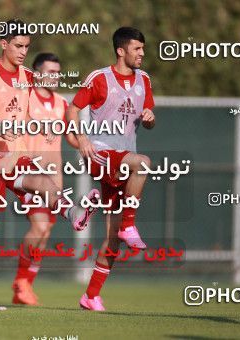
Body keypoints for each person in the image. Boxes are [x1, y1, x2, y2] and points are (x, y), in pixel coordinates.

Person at [0, 19, 98, 311]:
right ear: (3, 44)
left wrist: (84, 141)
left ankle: (71, 210)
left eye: (27, 46)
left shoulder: (28, 77)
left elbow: (50, 113)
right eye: (18, 45)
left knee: (40, 177)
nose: (23, 51)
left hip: (15, 156)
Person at [66, 26, 155, 311]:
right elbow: (72, 109)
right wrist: (81, 139)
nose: (142, 53)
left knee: (113, 241)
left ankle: (90, 296)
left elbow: (149, 119)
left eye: (143, 48)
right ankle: (129, 222)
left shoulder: (145, 81)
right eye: (137, 48)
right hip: (101, 153)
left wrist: (151, 118)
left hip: (123, 162)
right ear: (121, 50)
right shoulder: (99, 78)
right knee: (144, 163)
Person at [12, 52, 79, 305]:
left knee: (46, 231)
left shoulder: (62, 103)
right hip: (30, 175)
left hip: (54, 179)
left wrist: (82, 140)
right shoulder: (25, 97)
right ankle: (21, 281)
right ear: (37, 73)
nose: (55, 76)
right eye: (50, 72)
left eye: (58, 72)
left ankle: (25, 286)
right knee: (39, 226)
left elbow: (71, 136)